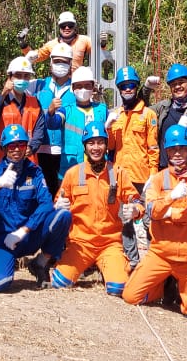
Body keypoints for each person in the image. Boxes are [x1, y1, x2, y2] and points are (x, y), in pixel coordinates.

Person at [121, 125, 187, 318]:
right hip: (160, 253)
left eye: (181, 149)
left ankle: (184, 288)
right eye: (172, 149)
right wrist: (171, 198)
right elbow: (151, 211)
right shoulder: (158, 179)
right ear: (167, 151)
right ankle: (162, 287)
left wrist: (170, 213)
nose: (177, 154)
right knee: (130, 296)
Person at [0, 124, 72, 292]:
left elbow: (46, 203)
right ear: (4, 148)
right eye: (12, 146)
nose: (17, 149)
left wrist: (24, 230)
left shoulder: (35, 172)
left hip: (27, 235)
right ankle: (3, 263)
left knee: (62, 215)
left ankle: (40, 263)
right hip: (2, 239)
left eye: (21, 144)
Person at [50, 122, 142, 297]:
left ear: (106, 145)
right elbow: (58, 203)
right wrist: (58, 206)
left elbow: (136, 200)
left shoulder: (118, 173)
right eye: (91, 143)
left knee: (118, 288)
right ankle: (84, 265)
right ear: (85, 146)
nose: (96, 148)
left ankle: (107, 267)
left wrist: (135, 210)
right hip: (80, 243)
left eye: (100, 142)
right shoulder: (73, 174)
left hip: (110, 244)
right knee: (59, 283)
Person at [106, 65, 159, 266]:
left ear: (136, 87)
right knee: (124, 220)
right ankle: (132, 261)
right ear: (119, 89)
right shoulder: (115, 114)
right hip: (121, 177)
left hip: (143, 177)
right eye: (123, 86)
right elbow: (110, 147)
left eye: (131, 85)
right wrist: (108, 128)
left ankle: (154, 262)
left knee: (148, 220)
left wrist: (153, 174)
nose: (127, 89)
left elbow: (153, 147)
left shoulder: (148, 115)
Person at [49, 66, 108, 180]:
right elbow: (53, 124)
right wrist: (51, 112)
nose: (83, 89)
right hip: (71, 169)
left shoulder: (102, 110)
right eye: (79, 86)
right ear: (72, 88)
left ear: (93, 87)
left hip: (98, 168)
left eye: (87, 86)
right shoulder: (66, 110)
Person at [0, 57, 47, 165]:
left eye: (26, 76)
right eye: (18, 75)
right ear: (9, 78)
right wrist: (3, 94)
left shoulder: (35, 102)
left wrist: (32, 147)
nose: (22, 79)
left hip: (28, 161)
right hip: (3, 161)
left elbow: (39, 129)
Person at [33, 41, 75, 192]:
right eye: (57, 61)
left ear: (70, 64)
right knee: (44, 195)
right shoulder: (38, 85)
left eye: (64, 61)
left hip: (66, 152)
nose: (60, 65)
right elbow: (16, 81)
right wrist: (28, 60)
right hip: (41, 150)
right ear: (50, 63)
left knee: (65, 194)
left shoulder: (77, 88)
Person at [151, 63, 187, 166]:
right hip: (164, 169)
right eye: (173, 84)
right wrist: (146, 89)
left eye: (181, 82)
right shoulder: (162, 108)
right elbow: (140, 110)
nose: (177, 86)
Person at [21, 10, 91, 69]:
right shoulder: (51, 44)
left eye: (70, 25)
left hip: (77, 80)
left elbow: (96, 51)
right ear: (59, 27)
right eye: (63, 26)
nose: (67, 28)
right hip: (58, 79)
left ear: (74, 26)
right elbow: (35, 57)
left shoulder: (84, 40)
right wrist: (23, 45)